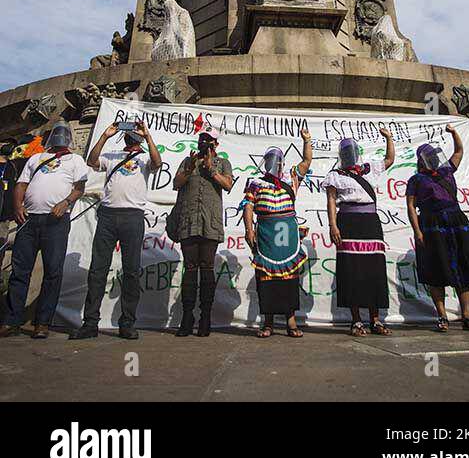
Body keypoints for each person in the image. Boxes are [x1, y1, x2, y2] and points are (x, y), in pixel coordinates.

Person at [69, 119, 161, 341]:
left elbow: (157, 163)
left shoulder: (145, 157)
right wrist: (105, 135)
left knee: (131, 271)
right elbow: (91, 161)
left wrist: (147, 135)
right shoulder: (111, 155)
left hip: (133, 217)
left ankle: (127, 323)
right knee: (98, 269)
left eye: (135, 131)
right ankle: (90, 322)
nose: (132, 135)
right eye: (129, 131)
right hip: (108, 216)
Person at [0, 122, 87, 339]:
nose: (59, 136)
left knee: (53, 272)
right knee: (20, 271)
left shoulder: (75, 160)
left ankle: (42, 323)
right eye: (56, 132)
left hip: (56, 221)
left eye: (63, 133)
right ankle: (12, 320)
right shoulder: (36, 158)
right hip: (29, 220)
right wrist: (18, 206)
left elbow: (79, 188)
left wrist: (65, 202)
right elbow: (21, 184)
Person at [406, 124, 469, 332]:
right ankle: (442, 316)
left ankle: (467, 315)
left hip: (455, 221)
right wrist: (417, 231)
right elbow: (410, 205)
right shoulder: (416, 179)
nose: (432, 158)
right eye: (428, 156)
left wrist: (454, 133)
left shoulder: (446, 171)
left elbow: (459, 151)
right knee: (437, 269)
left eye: (433, 155)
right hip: (431, 223)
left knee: (464, 267)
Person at [322, 129, 394, 337]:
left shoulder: (368, 169)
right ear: (340, 155)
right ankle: (356, 321)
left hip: (370, 223)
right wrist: (333, 225)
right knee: (351, 270)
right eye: (345, 152)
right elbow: (331, 202)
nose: (349, 154)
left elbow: (389, 159)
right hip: (348, 222)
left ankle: (375, 319)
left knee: (374, 269)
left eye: (352, 150)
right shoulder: (334, 175)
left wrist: (388, 138)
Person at [243, 129, 312, 338]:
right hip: (265, 235)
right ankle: (268, 323)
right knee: (266, 279)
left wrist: (307, 140)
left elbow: (307, 161)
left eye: (278, 160)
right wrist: (249, 230)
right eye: (272, 159)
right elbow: (248, 206)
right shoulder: (255, 182)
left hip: (287, 237)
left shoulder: (291, 179)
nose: (276, 163)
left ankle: (291, 322)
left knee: (289, 280)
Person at [172, 128, 234, 337]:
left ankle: (205, 316)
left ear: (216, 144)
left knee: (207, 267)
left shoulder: (223, 163)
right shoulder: (188, 161)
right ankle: (187, 317)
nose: (204, 143)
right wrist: (189, 169)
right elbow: (176, 183)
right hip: (189, 221)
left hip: (210, 222)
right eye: (201, 139)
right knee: (190, 267)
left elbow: (228, 185)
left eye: (208, 140)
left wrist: (211, 170)